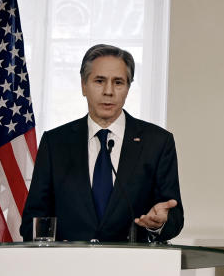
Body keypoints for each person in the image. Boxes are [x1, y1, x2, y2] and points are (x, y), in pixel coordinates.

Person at [20, 44, 183, 242]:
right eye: (99, 81)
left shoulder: (157, 142)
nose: (108, 91)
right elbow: (32, 220)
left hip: (132, 267)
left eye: (118, 82)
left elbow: (174, 217)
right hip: (68, 266)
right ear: (83, 85)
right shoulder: (55, 143)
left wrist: (159, 224)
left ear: (128, 88)